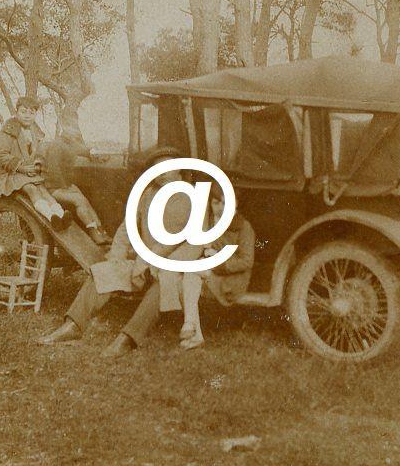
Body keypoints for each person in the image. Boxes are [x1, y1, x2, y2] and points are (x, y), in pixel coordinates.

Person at [37, 147, 191, 357]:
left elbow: (176, 241)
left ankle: (127, 339)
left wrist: (148, 260)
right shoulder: (149, 193)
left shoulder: (189, 197)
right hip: (143, 262)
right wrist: (117, 255)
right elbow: (127, 228)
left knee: (163, 285)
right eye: (156, 168)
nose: (161, 173)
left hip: (174, 265)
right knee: (103, 271)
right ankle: (73, 326)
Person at [156, 188, 256, 350]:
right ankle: (194, 331)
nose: (221, 208)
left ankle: (191, 326)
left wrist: (217, 260)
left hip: (231, 278)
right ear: (210, 203)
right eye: (216, 203)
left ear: (236, 204)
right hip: (208, 272)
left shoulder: (244, 227)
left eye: (226, 203)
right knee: (187, 278)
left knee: (190, 274)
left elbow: (246, 261)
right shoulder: (208, 223)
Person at [0, 96, 69, 229]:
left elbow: (40, 154)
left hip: (30, 173)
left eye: (31, 113)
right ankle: (51, 217)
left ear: (35, 115)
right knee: (32, 189)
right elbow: (2, 155)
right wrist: (21, 168)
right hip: (11, 174)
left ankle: (61, 215)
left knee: (43, 191)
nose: (27, 116)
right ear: (16, 112)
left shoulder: (36, 133)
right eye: (23, 111)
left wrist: (36, 166)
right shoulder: (7, 132)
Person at [42, 123, 111, 245]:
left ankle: (101, 231)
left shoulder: (70, 143)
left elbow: (83, 150)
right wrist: (64, 187)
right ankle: (93, 233)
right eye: (70, 128)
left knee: (85, 201)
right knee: (79, 200)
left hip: (65, 185)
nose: (73, 131)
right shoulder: (56, 145)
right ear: (64, 128)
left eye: (74, 128)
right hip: (53, 187)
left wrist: (95, 155)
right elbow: (53, 169)